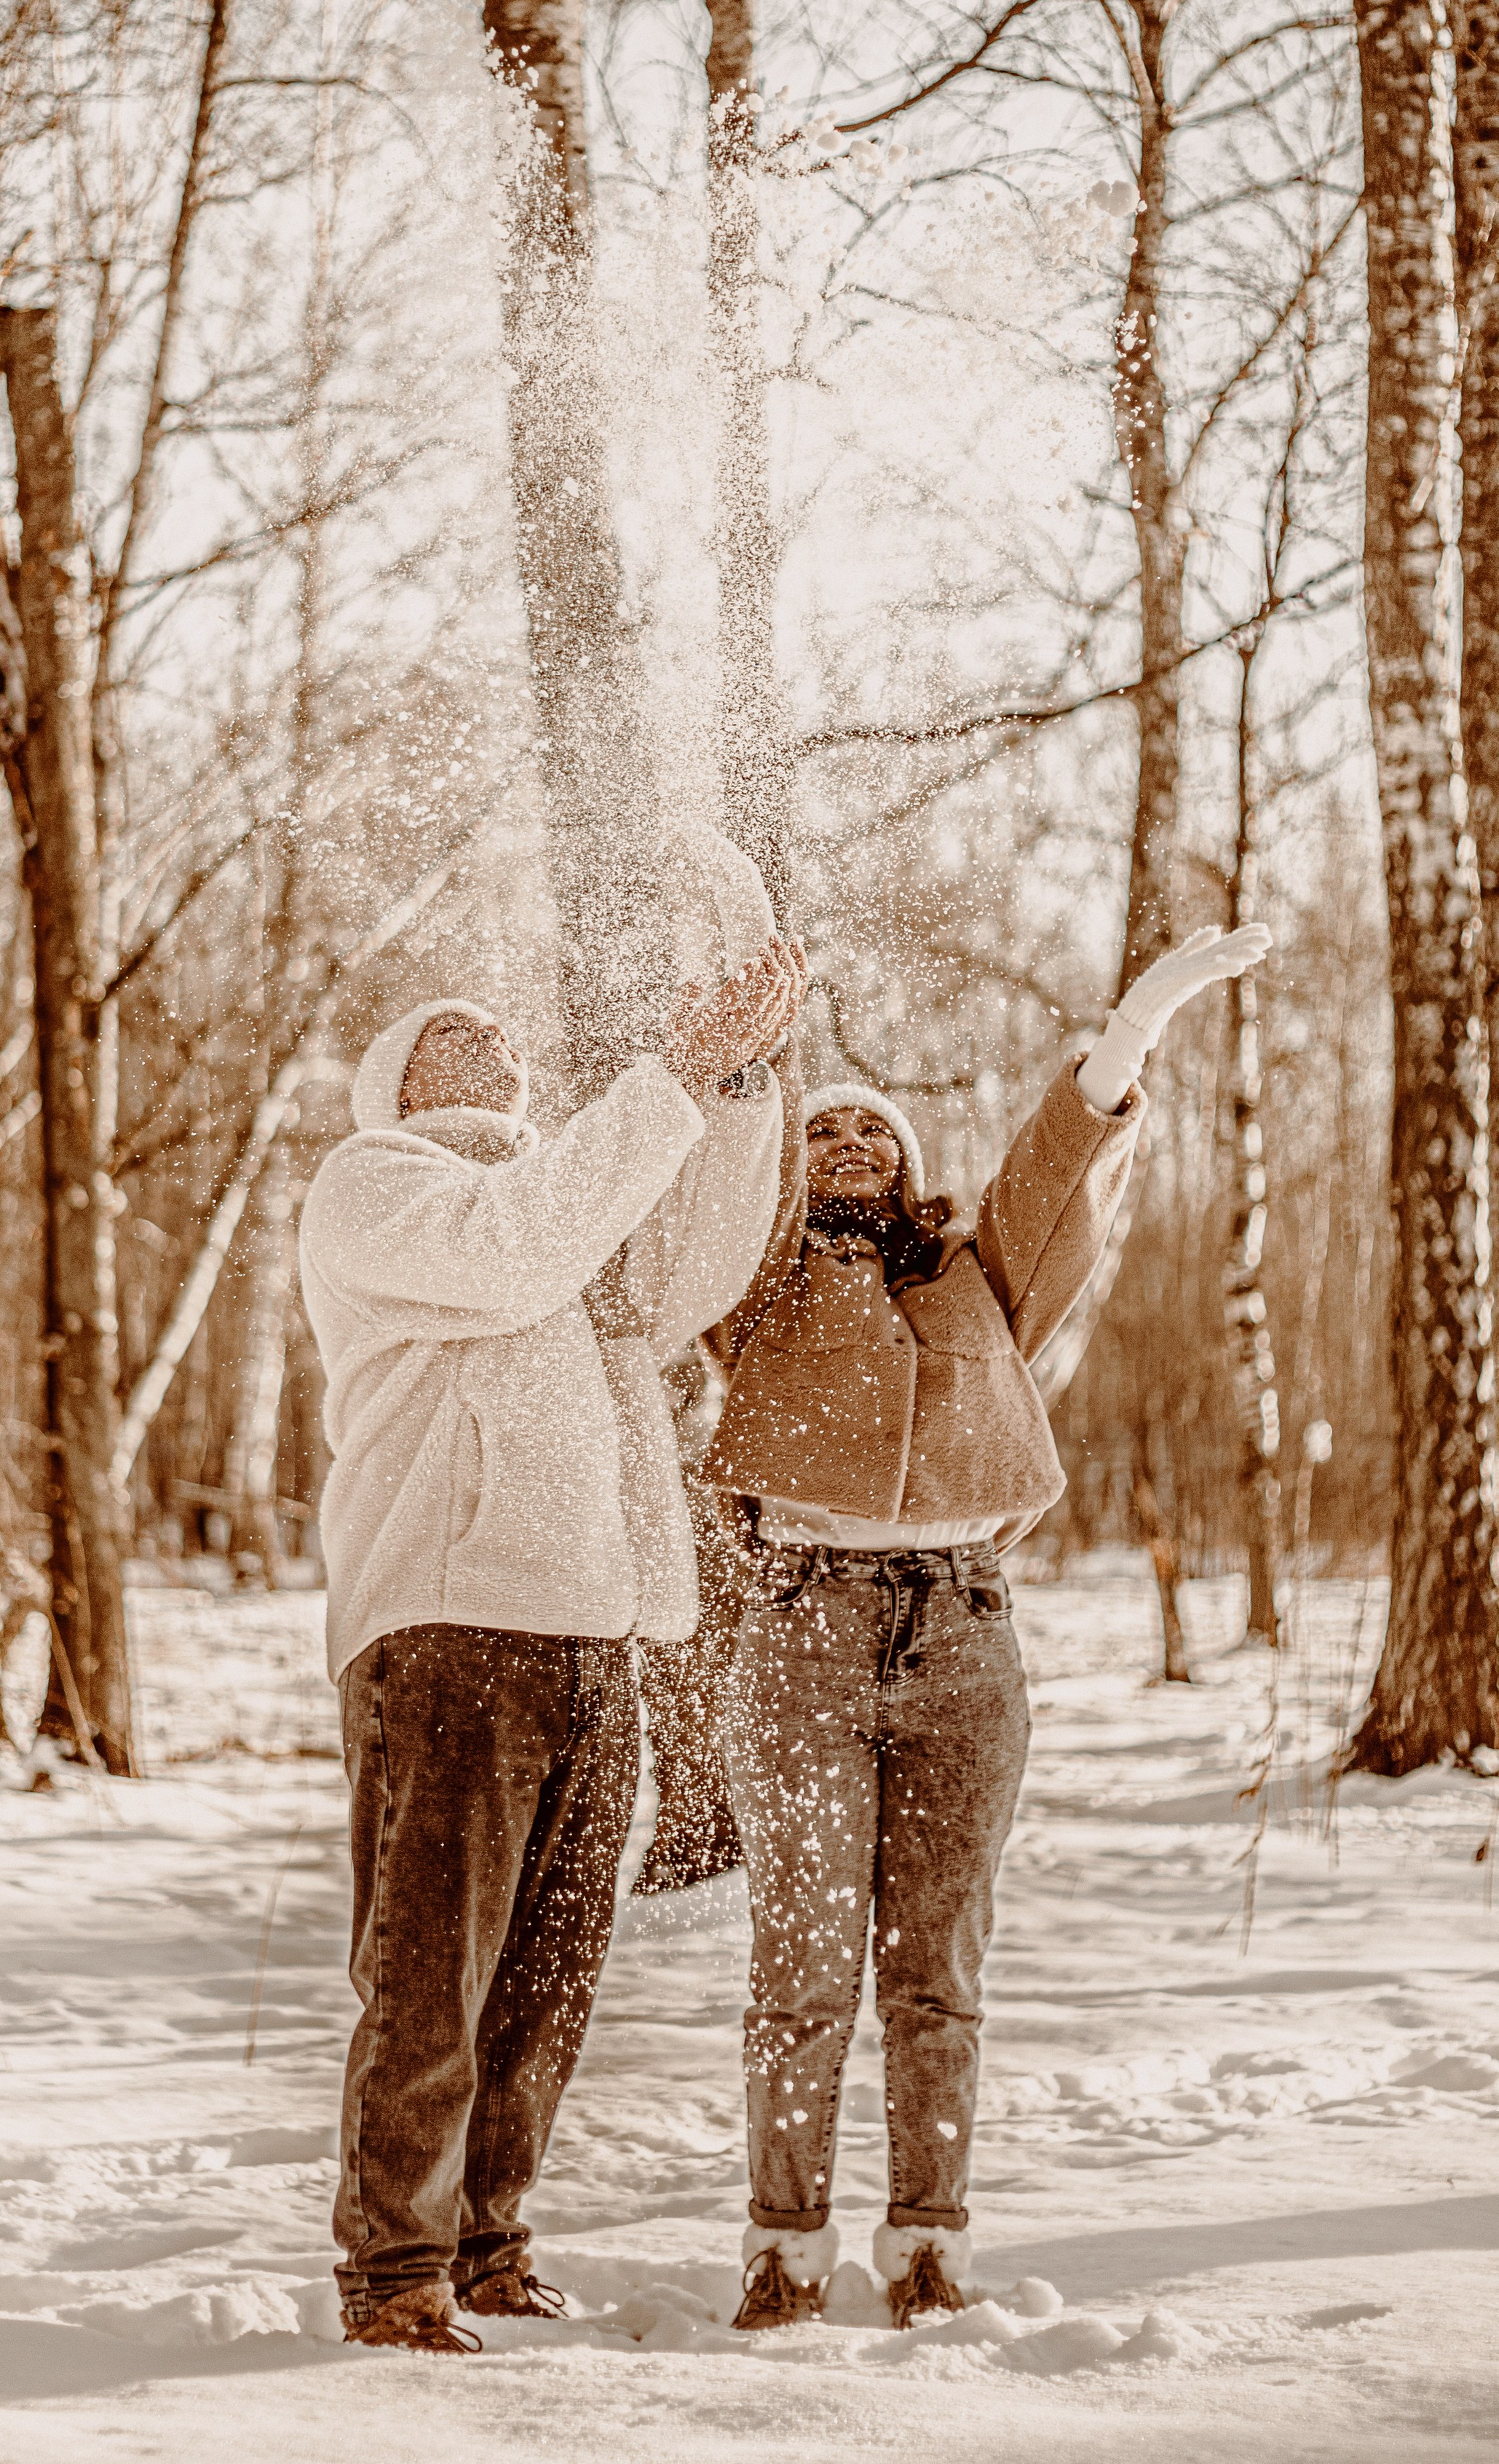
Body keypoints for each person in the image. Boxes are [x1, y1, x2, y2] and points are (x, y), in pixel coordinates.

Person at [704, 924, 1270, 2331]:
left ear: (909, 1174)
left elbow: (1055, 1160)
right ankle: (784, 2245)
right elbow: (703, 1187)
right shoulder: (752, 1292)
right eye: (822, 1133)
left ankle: (924, 2241)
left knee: (936, 1962)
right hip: (803, 1636)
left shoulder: (979, 1278)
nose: (849, 1146)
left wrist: (1137, 1020)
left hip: (964, 1635)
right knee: (805, 1953)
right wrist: (729, 1057)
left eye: (873, 1136)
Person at [298, 932, 806, 2353]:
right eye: (453, 1035)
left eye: (502, 1039)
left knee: (542, 1984)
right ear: (393, 1080)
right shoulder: (378, 1186)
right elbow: (514, 1245)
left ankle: (487, 2240)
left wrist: (739, 1079)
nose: (493, 1047)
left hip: (591, 1632)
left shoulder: (571, 1197)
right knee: (429, 1978)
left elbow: (693, 1263)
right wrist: (666, 1078)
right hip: (447, 1624)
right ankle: (392, 2271)